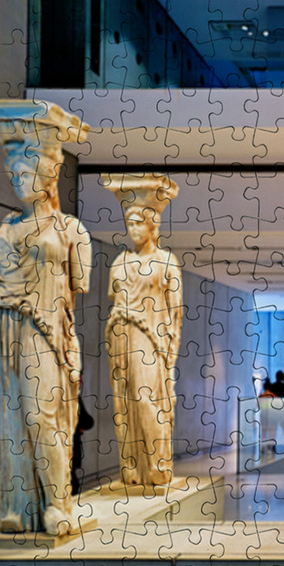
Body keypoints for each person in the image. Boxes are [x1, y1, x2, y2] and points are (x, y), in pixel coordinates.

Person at [0, 101, 92, 535]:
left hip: (47, 330)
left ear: (50, 172)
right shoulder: (5, 229)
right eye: (12, 174)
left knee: (41, 416)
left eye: (26, 172)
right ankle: (20, 502)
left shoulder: (71, 230)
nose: (17, 181)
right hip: (5, 327)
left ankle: (58, 503)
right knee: (10, 416)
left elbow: (73, 292)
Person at [101, 173, 183, 488]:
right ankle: (133, 469)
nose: (133, 229)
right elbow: (114, 302)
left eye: (139, 223)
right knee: (124, 403)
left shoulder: (167, 262)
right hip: (121, 336)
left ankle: (158, 465)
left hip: (151, 341)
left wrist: (169, 356)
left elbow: (175, 315)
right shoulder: (120, 263)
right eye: (129, 223)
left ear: (153, 226)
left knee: (146, 399)